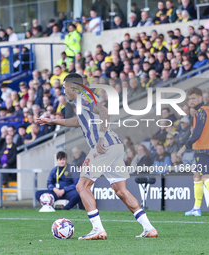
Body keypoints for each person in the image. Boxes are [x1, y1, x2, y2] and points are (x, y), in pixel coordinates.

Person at [36, 73, 157, 240]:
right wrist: (53, 121)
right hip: (114, 146)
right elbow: (78, 121)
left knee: (82, 186)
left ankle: (97, 229)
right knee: (121, 191)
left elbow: (103, 111)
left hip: (103, 146)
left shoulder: (83, 98)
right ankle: (149, 228)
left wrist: (100, 137)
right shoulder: (81, 100)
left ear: (73, 86)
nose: (63, 92)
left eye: (64, 88)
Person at [177, 87, 209, 217]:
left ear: (200, 97)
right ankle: (196, 208)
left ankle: (196, 208)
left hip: (202, 148)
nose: (191, 101)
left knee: (205, 178)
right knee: (197, 176)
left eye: (193, 98)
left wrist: (184, 147)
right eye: (189, 99)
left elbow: (197, 133)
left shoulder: (200, 112)